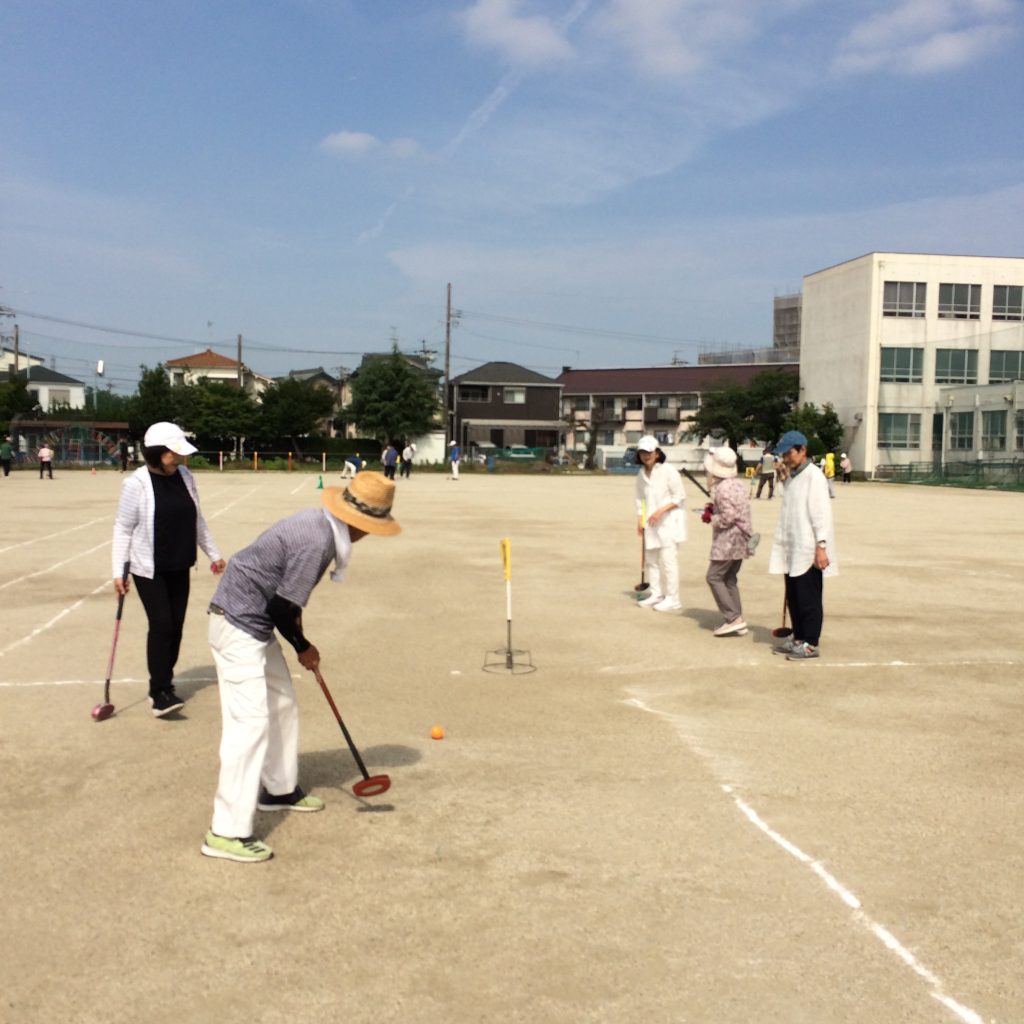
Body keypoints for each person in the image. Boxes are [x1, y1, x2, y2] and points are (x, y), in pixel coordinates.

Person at [201, 472, 401, 864]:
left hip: (253, 621)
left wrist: (300, 643)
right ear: (360, 524)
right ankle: (225, 832)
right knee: (250, 724)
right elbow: (281, 609)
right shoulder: (317, 541)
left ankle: (278, 789)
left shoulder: (322, 528)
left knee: (282, 702)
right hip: (237, 622)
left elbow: (288, 603)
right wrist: (303, 647)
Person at [112, 422, 225, 717]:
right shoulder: (136, 483)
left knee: (175, 627)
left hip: (180, 562)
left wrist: (213, 554)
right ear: (158, 453)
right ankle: (158, 691)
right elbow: (123, 529)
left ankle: (167, 681)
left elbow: (197, 519)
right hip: (149, 568)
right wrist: (118, 572)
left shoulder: (185, 477)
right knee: (162, 624)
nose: (179, 458)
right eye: (174, 452)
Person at [768, 430, 837, 661]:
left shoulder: (814, 477)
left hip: (808, 547)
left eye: (789, 453)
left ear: (802, 450)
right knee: (794, 596)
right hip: (792, 546)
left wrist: (821, 545)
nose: (786, 458)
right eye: (784, 454)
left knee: (809, 598)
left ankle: (811, 642)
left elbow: (820, 514)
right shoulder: (793, 476)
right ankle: (798, 636)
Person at [702, 447, 754, 636]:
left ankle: (733, 618)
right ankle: (737, 618)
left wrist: (711, 518)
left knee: (714, 577)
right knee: (729, 578)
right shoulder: (737, 484)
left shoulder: (722, 488)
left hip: (728, 541)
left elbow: (728, 516)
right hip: (742, 538)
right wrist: (713, 508)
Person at [634, 435, 686, 613]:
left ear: (657, 453)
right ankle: (656, 593)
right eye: (642, 452)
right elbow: (640, 499)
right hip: (650, 523)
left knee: (668, 561)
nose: (645, 455)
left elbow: (679, 497)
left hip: (668, 522)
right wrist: (640, 519)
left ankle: (673, 598)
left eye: (649, 452)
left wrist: (659, 511)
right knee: (651, 560)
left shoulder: (668, 470)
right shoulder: (641, 474)